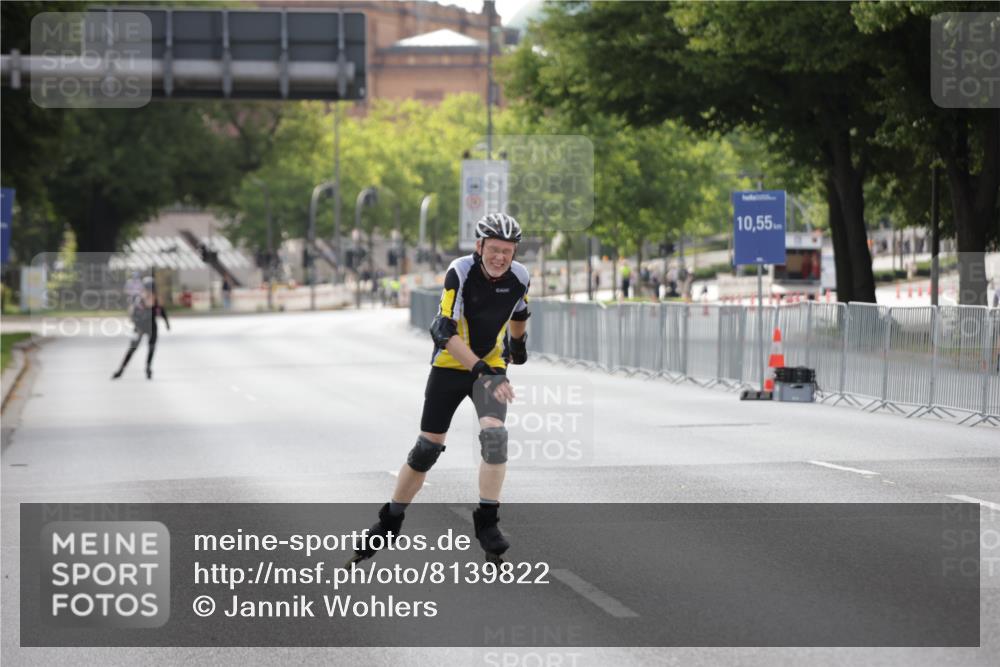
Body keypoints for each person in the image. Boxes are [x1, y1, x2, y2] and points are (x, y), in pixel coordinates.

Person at [350, 213, 530, 565]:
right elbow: (443, 332)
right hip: (451, 365)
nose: (500, 257)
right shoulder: (459, 272)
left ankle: (488, 524)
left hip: (491, 364)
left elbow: (520, 311)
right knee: (426, 450)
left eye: (507, 251)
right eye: (494, 249)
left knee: (495, 437)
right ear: (479, 247)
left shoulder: (521, 276)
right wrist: (478, 369)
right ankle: (390, 520)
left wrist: (518, 346)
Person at [112, 277, 170, 380]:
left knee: (151, 348)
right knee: (132, 349)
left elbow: (162, 311)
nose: (150, 291)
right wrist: (137, 325)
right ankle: (121, 369)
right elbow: (133, 315)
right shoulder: (139, 299)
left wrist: (166, 323)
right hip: (140, 327)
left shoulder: (155, 300)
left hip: (151, 326)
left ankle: (148, 367)